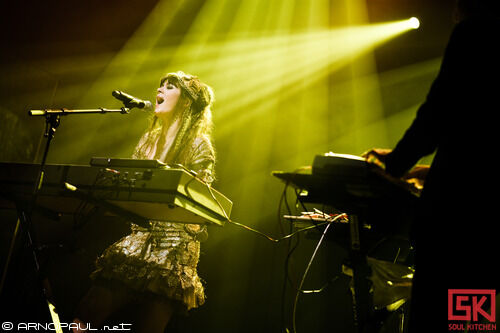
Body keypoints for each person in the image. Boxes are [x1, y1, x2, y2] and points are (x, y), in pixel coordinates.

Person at [365, 0, 500, 331]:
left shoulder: (474, 33)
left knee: (440, 317)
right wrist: (416, 171)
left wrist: (396, 163)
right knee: (473, 322)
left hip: (459, 224)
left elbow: (439, 111)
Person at [72, 71, 216, 333]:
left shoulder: (198, 144)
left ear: (186, 102)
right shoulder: (148, 140)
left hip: (175, 243)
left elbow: (200, 197)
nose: (160, 90)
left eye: (170, 86)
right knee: (86, 315)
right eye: (160, 85)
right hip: (141, 235)